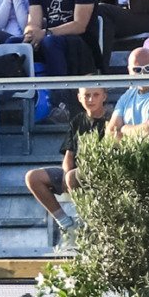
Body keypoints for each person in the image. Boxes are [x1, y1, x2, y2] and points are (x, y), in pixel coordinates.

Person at [24, 83, 115, 244]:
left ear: (104, 96)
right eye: (86, 95)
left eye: (95, 95)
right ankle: (66, 224)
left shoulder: (112, 120)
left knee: (74, 176)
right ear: (79, 98)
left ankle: (91, 225)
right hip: (74, 175)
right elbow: (69, 154)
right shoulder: (78, 120)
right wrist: (66, 174)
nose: (91, 99)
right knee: (33, 177)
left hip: (100, 174)